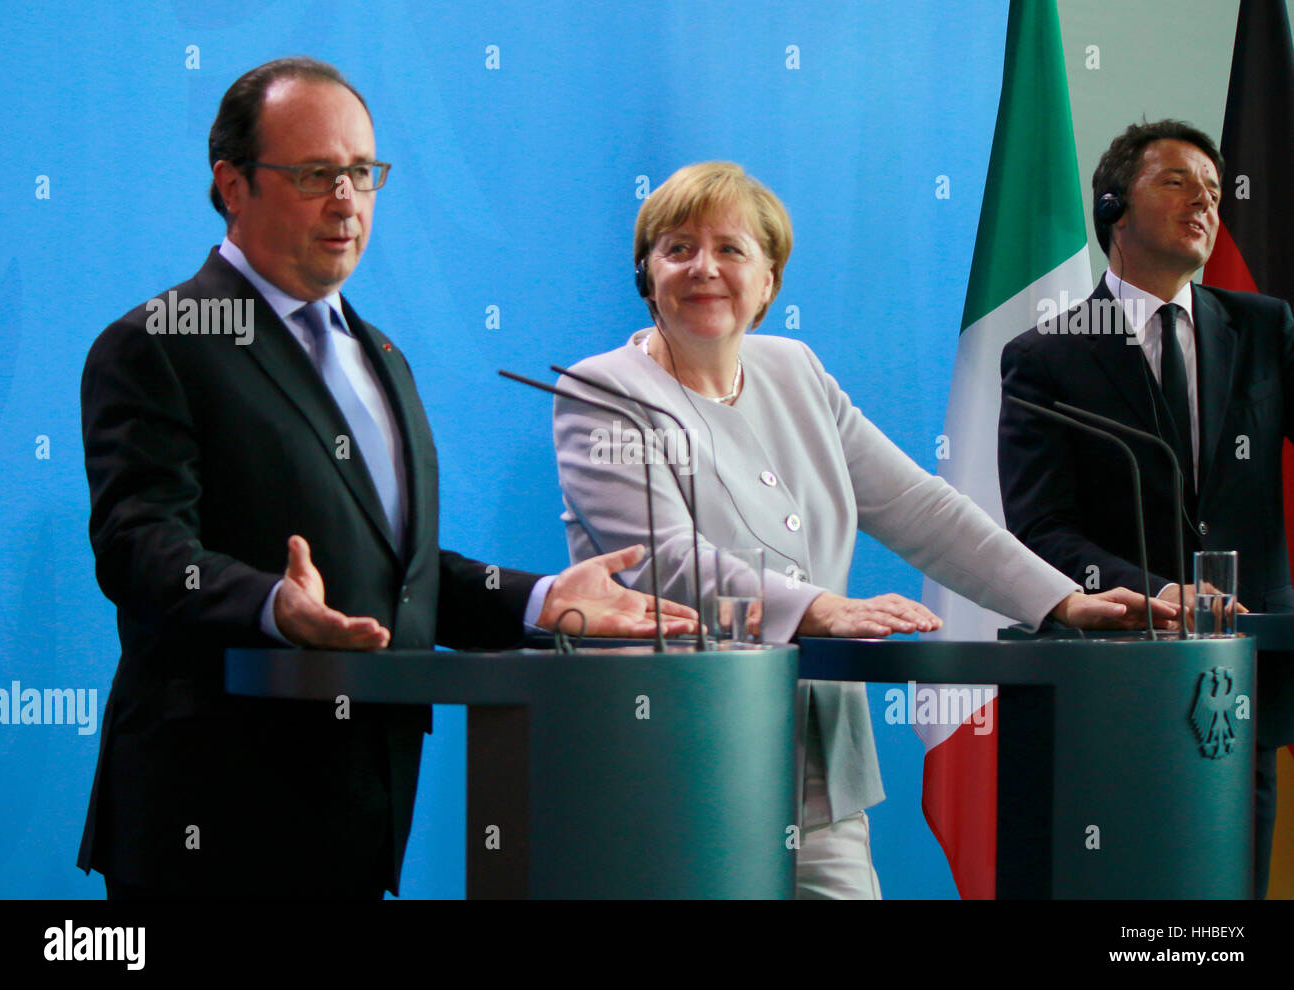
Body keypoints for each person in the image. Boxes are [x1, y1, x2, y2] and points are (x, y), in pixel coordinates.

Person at [76, 57, 695, 900]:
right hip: (214, 819)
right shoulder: (161, 340)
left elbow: (396, 574)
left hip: (361, 811)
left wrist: (541, 601)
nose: (346, 200)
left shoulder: (385, 358)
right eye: (314, 174)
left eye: (363, 173)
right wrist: (271, 606)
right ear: (232, 184)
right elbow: (138, 546)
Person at [552, 161, 1170, 899]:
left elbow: (918, 506)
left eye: (730, 249)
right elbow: (662, 562)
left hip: (820, 771)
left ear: (770, 281)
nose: (703, 268)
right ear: (646, 276)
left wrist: (1060, 600)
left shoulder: (796, 371)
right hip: (675, 762)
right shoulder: (603, 391)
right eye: (677, 248)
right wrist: (816, 608)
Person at [999, 119, 1294, 898]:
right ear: (1112, 209)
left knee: (1226, 909)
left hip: (1240, 677)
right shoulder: (1046, 356)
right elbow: (1040, 529)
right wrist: (1153, 593)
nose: (1204, 201)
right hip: (1113, 677)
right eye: (1177, 182)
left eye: (1214, 191)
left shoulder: (1265, 330)